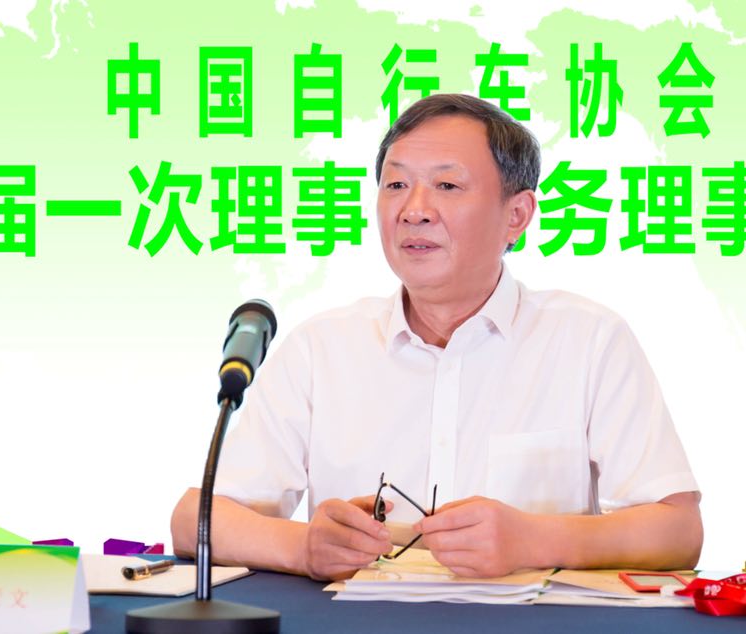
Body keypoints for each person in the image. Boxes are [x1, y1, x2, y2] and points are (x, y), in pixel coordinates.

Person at [171, 94, 702, 582]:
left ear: (517, 215)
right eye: (396, 185)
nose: (414, 209)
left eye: (447, 186)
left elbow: (678, 530)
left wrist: (533, 539)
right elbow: (194, 519)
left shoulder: (589, 340)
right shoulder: (321, 349)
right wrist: (304, 547)